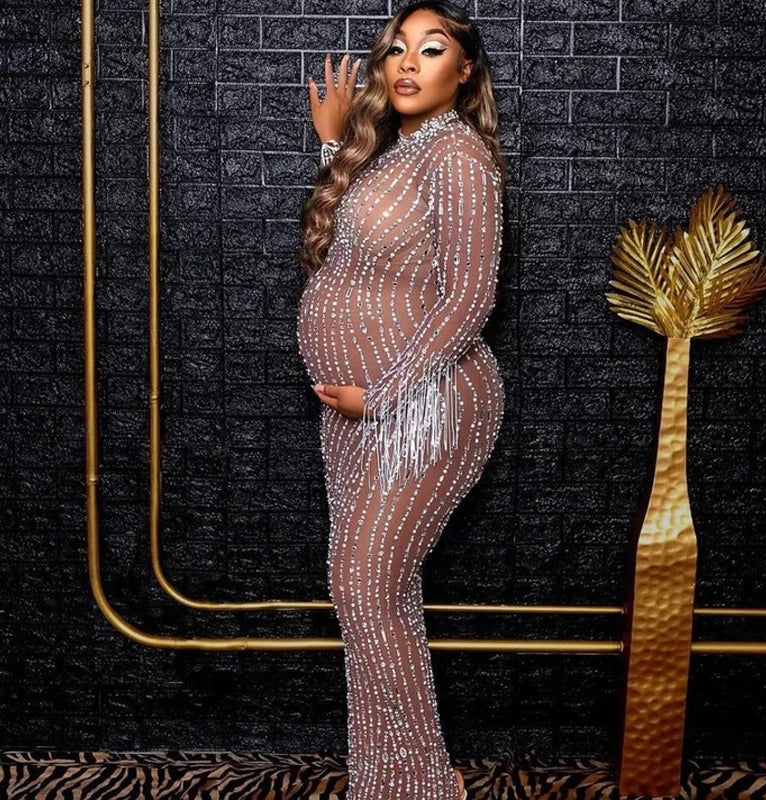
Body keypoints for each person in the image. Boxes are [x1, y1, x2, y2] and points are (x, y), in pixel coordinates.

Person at [296, 2, 507, 797]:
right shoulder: (394, 153)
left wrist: (382, 396)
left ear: (465, 70)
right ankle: (387, 780)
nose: (409, 63)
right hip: (357, 410)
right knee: (375, 594)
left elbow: (470, 298)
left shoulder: (458, 155)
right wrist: (333, 145)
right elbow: (351, 252)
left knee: (362, 583)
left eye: (432, 48)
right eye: (397, 50)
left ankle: (429, 783)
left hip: (423, 406)